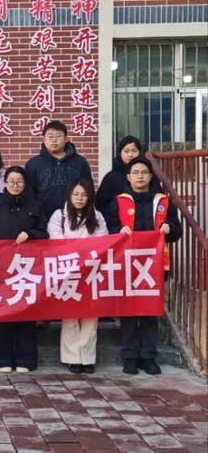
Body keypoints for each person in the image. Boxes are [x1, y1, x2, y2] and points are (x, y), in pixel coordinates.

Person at [107, 157, 181, 375]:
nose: (140, 176)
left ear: (150, 176)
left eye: (144, 172)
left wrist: (169, 228)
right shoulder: (118, 201)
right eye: (135, 172)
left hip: (154, 266)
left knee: (150, 311)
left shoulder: (163, 202)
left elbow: (176, 230)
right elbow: (109, 227)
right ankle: (130, 357)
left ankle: (148, 357)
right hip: (126, 265)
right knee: (129, 312)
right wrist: (118, 230)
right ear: (128, 177)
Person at [0, 166, 49, 373]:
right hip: (1, 267)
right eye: (11, 181)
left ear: (25, 183)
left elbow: (44, 233)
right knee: (2, 312)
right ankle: (2, 359)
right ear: (5, 183)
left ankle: (25, 360)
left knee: (26, 313)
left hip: (27, 267)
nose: (15, 185)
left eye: (19, 181)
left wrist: (30, 234)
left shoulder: (35, 205)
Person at [47, 179, 108, 374]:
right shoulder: (59, 215)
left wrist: (83, 252)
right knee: (70, 315)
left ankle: (88, 358)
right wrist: (78, 250)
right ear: (69, 196)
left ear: (89, 197)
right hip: (68, 271)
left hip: (91, 271)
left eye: (83, 194)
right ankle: (73, 358)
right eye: (76, 194)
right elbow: (56, 238)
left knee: (90, 315)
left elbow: (102, 240)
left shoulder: (97, 216)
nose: (79, 198)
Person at [25, 120, 93, 221]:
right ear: (44, 139)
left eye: (58, 136)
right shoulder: (33, 164)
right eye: (50, 136)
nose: (54, 140)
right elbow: (29, 194)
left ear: (65, 139)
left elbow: (89, 190)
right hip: (43, 219)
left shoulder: (80, 162)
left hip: (75, 219)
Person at [96, 135, 161, 223]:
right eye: (126, 151)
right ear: (120, 153)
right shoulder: (110, 177)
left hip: (147, 222)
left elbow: (159, 199)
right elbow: (101, 205)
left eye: (134, 151)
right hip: (118, 224)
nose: (130, 155)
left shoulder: (148, 174)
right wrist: (114, 223)